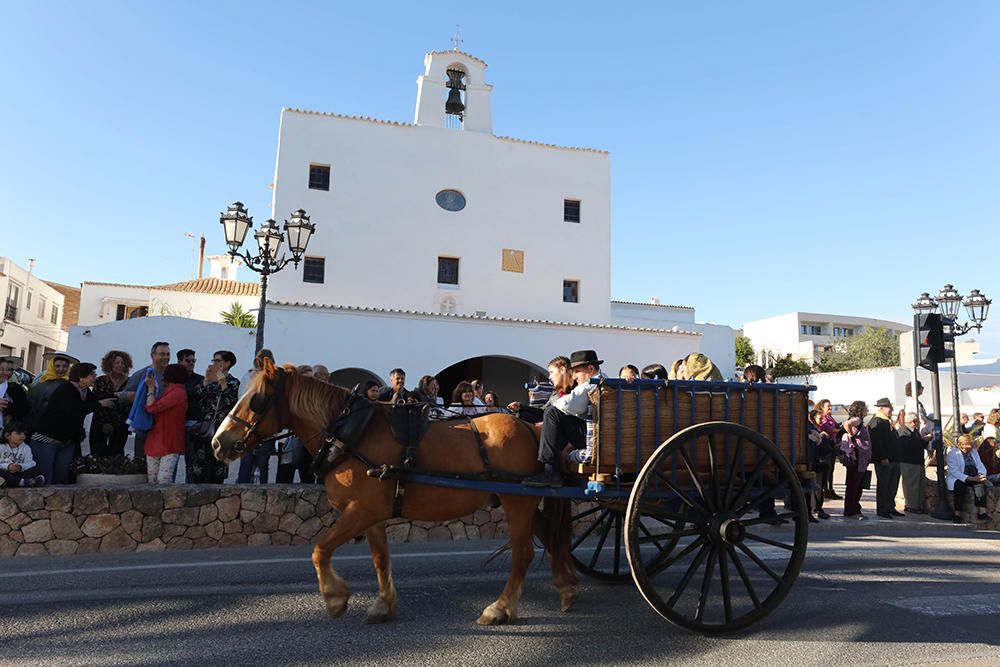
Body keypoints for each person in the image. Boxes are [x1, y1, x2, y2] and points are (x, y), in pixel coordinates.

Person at [523, 350, 604, 488]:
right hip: (600, 436)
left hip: (596, 438)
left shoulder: (591, 384)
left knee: (552, 413)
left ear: (590, 369)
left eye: (577, 371)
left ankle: (550, 471)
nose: (574, 376)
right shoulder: (602, 381)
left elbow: (567, 404)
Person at [31, 362, 115, 484]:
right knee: (45, 474)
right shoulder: (66, 389)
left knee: (62, 476)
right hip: (47, 439)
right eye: (92, 374)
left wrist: (120, 396)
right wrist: (99, 404)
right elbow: (73, 409)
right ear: (81, 377)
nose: (94, 377)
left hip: (67, 441)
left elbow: (95, 400)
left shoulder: (85, 392)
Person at [189, 350, 240, 483]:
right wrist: (206, 381)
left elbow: (232, 404)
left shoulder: (234, 383)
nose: (215, 363)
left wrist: (223, 384)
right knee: (199, 468)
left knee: (217, 470)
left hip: (222, 431)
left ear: (228, 363)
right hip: (205, 429)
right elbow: (196, 399)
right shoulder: (210, 381)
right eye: (214, 361)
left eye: (218, 361)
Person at [116, 342, 171, 458]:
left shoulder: (172, 375)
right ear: (152, 356)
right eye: (162, 354)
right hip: (145, 431)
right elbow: (121, 396)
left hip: (165, 430)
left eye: (167, 354)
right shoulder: (142, 374)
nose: (165, 357)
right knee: (141, 465)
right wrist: (135, 396)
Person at [143, 363, 188, 484]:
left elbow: (152, 408)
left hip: (166, 440)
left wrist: (151, 388)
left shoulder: (176, 393)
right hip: (165, 439)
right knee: (156, 479)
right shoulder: (173, 392)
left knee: (162, 479)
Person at [88, 350, 133, 459]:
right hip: (100, 424)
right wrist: (105, 423)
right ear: (110, 364)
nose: (120, 365)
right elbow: (95, 402)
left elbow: (130, 405)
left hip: (120, 425)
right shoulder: (100, 381)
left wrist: (117, 424)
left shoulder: (130, 382)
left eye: (123, 363)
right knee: (97, 455)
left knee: (117, 456)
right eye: (117, 363)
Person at [868, 397, 902, 519]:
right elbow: (877, 442)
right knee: (884, 485)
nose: (891, 410)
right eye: (889, 408)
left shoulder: (887, 421)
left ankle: (890, 507)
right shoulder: (877, 421)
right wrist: (883, 457)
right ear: (881, 408)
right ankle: (882, 509)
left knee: (892, 484)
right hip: (885, 459)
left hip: (894, 458)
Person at [26, 351, 78, 429]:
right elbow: (33, 403)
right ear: (52, 366)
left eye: (65, 366)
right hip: (39, 425)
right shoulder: (41, 381)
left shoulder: (72, 384)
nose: (61, 369)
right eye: (58, 366)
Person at [840, 400, 873, 520]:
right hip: (857, 458)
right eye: (865, 408)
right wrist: (852, 436)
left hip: (861, 458)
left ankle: (854, 509)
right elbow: (846, 424)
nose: (867, 410)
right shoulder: (857, 420)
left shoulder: (860, 421)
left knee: (856, 485)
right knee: (854, 485)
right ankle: (851, 510)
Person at [946, 434, 989, 522]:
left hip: (973, 474)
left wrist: (981, 474)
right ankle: (957, 514)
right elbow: (954, 471)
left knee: (980, 485)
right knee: (959, 486)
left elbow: (979, 464)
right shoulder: (952, 453)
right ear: (961, 445)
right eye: (968, 444)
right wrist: (970, 478)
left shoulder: (974, 452)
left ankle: (982, 512)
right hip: (960, 476)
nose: (970, 447)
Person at [896, 412, 929, 513]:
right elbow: (907, 447)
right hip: (909, 462)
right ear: (912, 422)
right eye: (917, 421)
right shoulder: (903, 431)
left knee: (919, 485)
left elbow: (919, 444)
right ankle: (911, 506)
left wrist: (926, 440)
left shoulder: (915, 431)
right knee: (911, 485)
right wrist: (922, 440)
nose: (918, 423)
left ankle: (918, 506)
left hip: (917, 462)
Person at [0, 422, 45, 487]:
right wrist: (8, 466)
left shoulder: (26, 448)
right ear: (7, 435)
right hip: (6, 473)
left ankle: (14, 482)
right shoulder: (1, 447)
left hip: (20, 473)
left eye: (24, 433)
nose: (22, 436)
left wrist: (20, 467)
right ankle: (21, 482)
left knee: (37, 469)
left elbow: (30, 463)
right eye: (19, 433)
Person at [807, 409, 832, 520]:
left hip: (821, 460)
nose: (822, 420)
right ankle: (814, 509)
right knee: (814, 487)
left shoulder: (816, 428)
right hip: (814, 460)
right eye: (820, 418)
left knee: (820, 486)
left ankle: (818, 508)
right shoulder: (809, 428)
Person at [816, 399, 842, 500]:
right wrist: (839, 429)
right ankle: (825, 490)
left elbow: (835, 427)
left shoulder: (830, 417)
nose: (830, 408)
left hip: (832, 445)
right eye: (828, 406)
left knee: (831, 470)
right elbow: (830, 429)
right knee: (827, 470)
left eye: (831, 406)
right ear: (822, 407)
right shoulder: (823, 418)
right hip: (826, 446)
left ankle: (830, 489)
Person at [0, 356, 31, 430]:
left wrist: (7, 406)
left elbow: (24, 410)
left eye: (9, 370)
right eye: (2, 369)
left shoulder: (15, 389)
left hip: (7, 433)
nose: (7, 373)